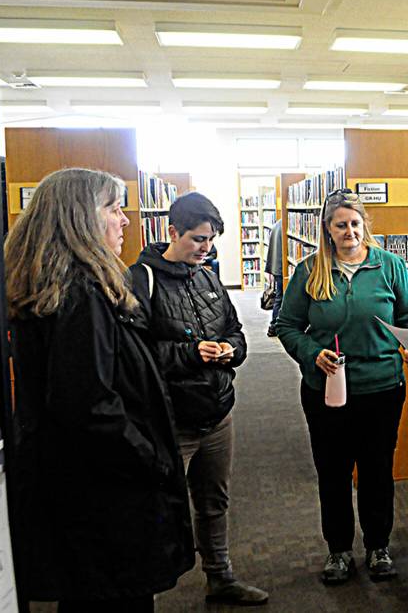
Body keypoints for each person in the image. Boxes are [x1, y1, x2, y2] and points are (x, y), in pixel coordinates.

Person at [5, 168, 194, 612]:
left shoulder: (51, 288)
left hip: (77, 487)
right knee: (114, 597)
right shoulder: (81, 294)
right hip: (107, 492)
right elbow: (88, 403)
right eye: (112, 208)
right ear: (80, 220)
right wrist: (152, 458)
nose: (125, 220)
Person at [276, 188, 408, 585]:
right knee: (332, 472)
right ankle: (338, 551)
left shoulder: (389, 266)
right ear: (327, 229)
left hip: (382, 387)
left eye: (355, 223)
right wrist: (311, 353)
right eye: (341, 225)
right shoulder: (308, 270)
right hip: (326, 389)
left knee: (376, 471)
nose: (349, 231)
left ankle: (378, 546)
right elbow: (285, 326)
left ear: (365, 225)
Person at [130, 192, 268, 606]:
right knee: (161, 506)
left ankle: (220, 576)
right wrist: (191, 354)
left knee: (214, 501)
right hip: (172, 418)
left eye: (211, 240)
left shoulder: (208, 276)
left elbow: (236, 331)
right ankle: (145, 593)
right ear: (172, 232)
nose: (205, 248)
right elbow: (135, 353)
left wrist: (231, 350)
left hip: (217, 411)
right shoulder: (141, 280)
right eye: (197, 239)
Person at [265, 218, 283, 337]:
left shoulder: (277, 224)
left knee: (279, 296)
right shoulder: (285, 225)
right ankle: (274, 325)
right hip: (282, 267)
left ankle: (273, 325)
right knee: (281, 297)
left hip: (277, 266)